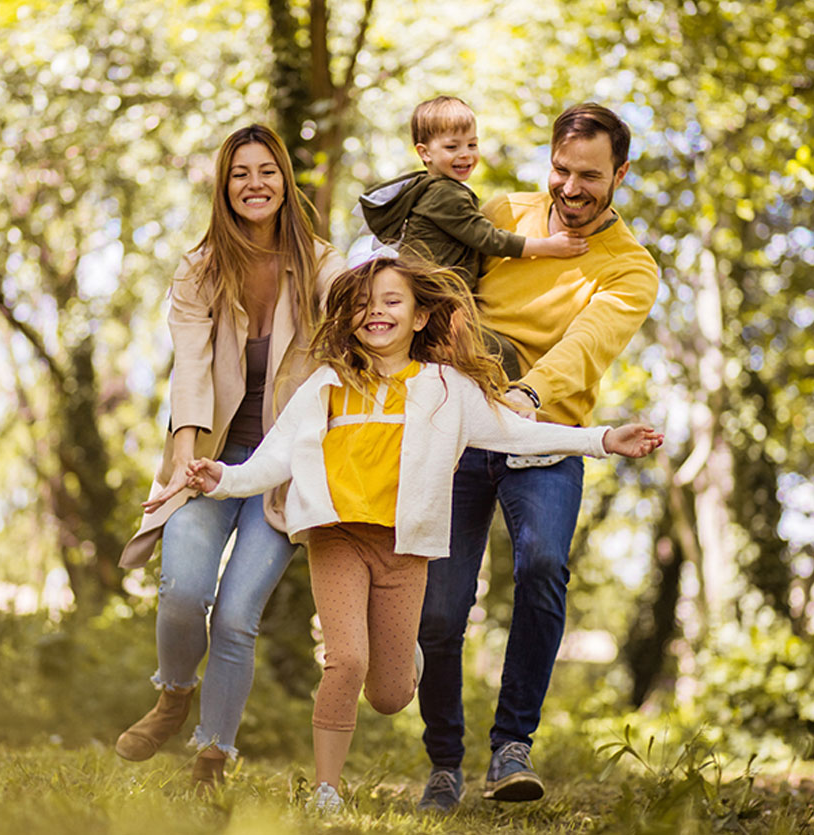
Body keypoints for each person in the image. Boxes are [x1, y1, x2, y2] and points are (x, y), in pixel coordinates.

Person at [183, 255, 662, 812]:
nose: (375, 312)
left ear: (418, 317)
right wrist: (223, 479)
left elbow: (517, 435)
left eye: (391, 301)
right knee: (346, 662)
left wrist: (602, 439)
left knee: (389, 695)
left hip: (404, 548)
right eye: (363, 303)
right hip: (336, 537)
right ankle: (326, 791)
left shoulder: (447, 387)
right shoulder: (326, 384)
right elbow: (274, 460)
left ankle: (400, 652)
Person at [415, 102, 661, 812]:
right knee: (440, 606)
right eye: (561, 170)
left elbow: (585, 346)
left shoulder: (631, 269)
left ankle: (512, 744)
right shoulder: (500, 215)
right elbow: (448, 295)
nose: (573, 188)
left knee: (545, 564)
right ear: (547, 162)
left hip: (549, 432)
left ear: (619, 173)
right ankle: (443, 761)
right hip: (462, 428)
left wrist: (523, 397)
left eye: (590, 175)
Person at [114, 124, 345, 790]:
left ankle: (212, 757)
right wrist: (184, 459)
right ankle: (173, 694)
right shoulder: (200, 268)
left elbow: (361, 315)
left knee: (238, 614)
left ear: (285, 181)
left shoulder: (323, 266)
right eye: (240, 173)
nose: (254, 184)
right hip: (209, 454)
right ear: (224, 185)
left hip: (280, 467)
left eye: (266, 170)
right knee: (184, 590)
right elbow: (189, 365)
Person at [356, 95, 588, 379]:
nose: (465, 154)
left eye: (472, 144)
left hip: (432, 299)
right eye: (452, 147)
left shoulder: (436, 189)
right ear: (425, 152)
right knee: (498, 354)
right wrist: (549, 246)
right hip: (434, 300)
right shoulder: (445, 194)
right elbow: (489, 239)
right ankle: (514, 408)